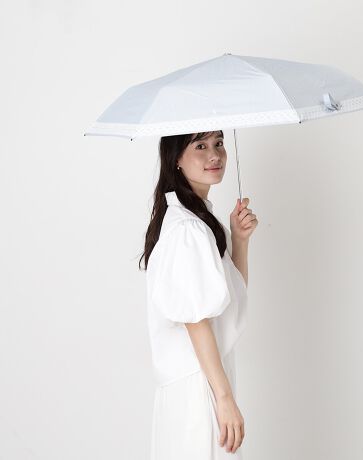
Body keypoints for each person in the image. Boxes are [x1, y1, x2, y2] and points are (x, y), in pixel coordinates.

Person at [139, 130, 258, 459]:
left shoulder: (196, 220)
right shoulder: (187, 228)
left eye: (218, 143)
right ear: (176, 158)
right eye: (201, 146)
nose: (214, 154)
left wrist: (240, 240)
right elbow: (196, 319)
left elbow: (226, 304)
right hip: (197, 383)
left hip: (204, 376)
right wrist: (223, 397)